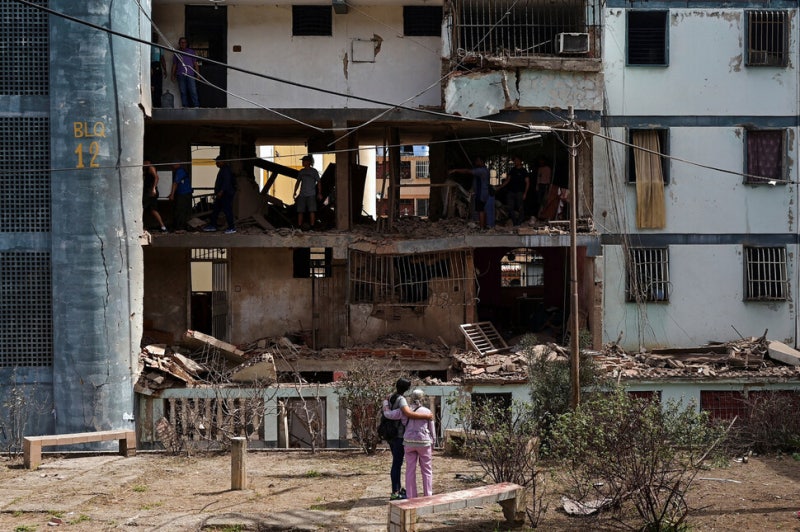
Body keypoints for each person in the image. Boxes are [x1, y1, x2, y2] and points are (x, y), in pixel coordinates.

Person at [382, 378, 434, 501]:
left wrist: (384, 403)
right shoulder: (404, 402)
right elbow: (409, 414)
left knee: (407, 468)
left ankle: (410, 495)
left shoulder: (391, 398)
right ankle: (427, 495)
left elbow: (389, 414)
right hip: (408, 438)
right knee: (424, 469)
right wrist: (427, 417)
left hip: (400, 438)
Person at [450, 156, 491, 229]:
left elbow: (467, 171)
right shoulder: (484, 170)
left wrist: (455, 170)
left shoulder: (481, 171)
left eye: (477, 161)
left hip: (480, 193)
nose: (476, 162)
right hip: (483, 192)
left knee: (480, 210)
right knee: (482, 209)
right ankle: (483, 226)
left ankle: (481, 228)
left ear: (481, 161)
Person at [203, 155, 236, 234]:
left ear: (223, 162)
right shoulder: (222, 170)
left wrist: (221, 191)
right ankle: (213, 225)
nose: (216, 163)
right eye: (216, 162)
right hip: (221, 194)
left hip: (225, 194)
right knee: (216, 210)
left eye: (218, 162)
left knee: (227, 210)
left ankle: (232, 227)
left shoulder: (226, 170)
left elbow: (226, 182)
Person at [497, 155, 530, 226]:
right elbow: (507, 180)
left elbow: (527, 182)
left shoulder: (524, 171)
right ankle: (514, 222)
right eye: (515, 160)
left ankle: (519, 222)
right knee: (510, 207)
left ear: (521, 161)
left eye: (517, 160)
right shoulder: (512, 170)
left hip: (520, 192)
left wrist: (525, 193)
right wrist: (499, 187)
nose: (516, 162)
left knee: (520, 207)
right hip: (511, 192)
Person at [293, 155, 322, 230]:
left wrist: (319, 193)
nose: (302, 162)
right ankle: (299, 227)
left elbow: (319, 182)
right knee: (300, 211)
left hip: (311, 194)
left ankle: (312, 227)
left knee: (312, 210)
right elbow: (298, 182)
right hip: (302, 194)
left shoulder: (314, 171)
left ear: (309, 162)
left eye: (304, 161)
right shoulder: (301, 171)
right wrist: (294, 191)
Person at [171, 37, 200, 108]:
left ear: (186, 44)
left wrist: (198, 74)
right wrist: (172, 75)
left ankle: (196, 106)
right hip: (180, 74)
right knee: (183, 91)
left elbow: (195, 63)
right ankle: (185, 106)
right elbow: (174, 64)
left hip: (190, 74)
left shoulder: (191, 52)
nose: (183, 44)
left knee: (193, 91)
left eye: (184, 42)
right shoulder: (177, 52)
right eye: (181, 42)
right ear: (179, 43)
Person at [142, 158, 167, 233]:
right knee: (153, 210)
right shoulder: (146, 169)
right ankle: (163, 227)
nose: (144, 163)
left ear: (148, 162)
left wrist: (153, 188)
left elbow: (157, 177)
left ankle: (140, 225)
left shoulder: (151, 168)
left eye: (145, 162)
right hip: (149, 192)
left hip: (150, 192)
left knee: (141, 208)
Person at [168, 162, 192, 232]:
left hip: (183, 194)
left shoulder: (180, 171)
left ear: (178, 164)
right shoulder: (180, 171)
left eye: (174, 164)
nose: (172, 165)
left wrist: (172, 194)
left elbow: (175, 183)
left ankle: (180, 227)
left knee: (180, 210)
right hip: (182, 193)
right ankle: (179, 227)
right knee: (180, 210)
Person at [150, 32, 167, 107]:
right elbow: (147, 57)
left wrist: (165, 69)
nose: (155, 38)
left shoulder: (160, 47)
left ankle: (158, 105)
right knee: (152, 86)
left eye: (157, 36)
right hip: (152, 65)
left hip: (158, 66)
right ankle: (152, 104)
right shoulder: (149, 46)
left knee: (159, 86)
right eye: (154, 36)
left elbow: (162, 59)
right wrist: (150, 68)